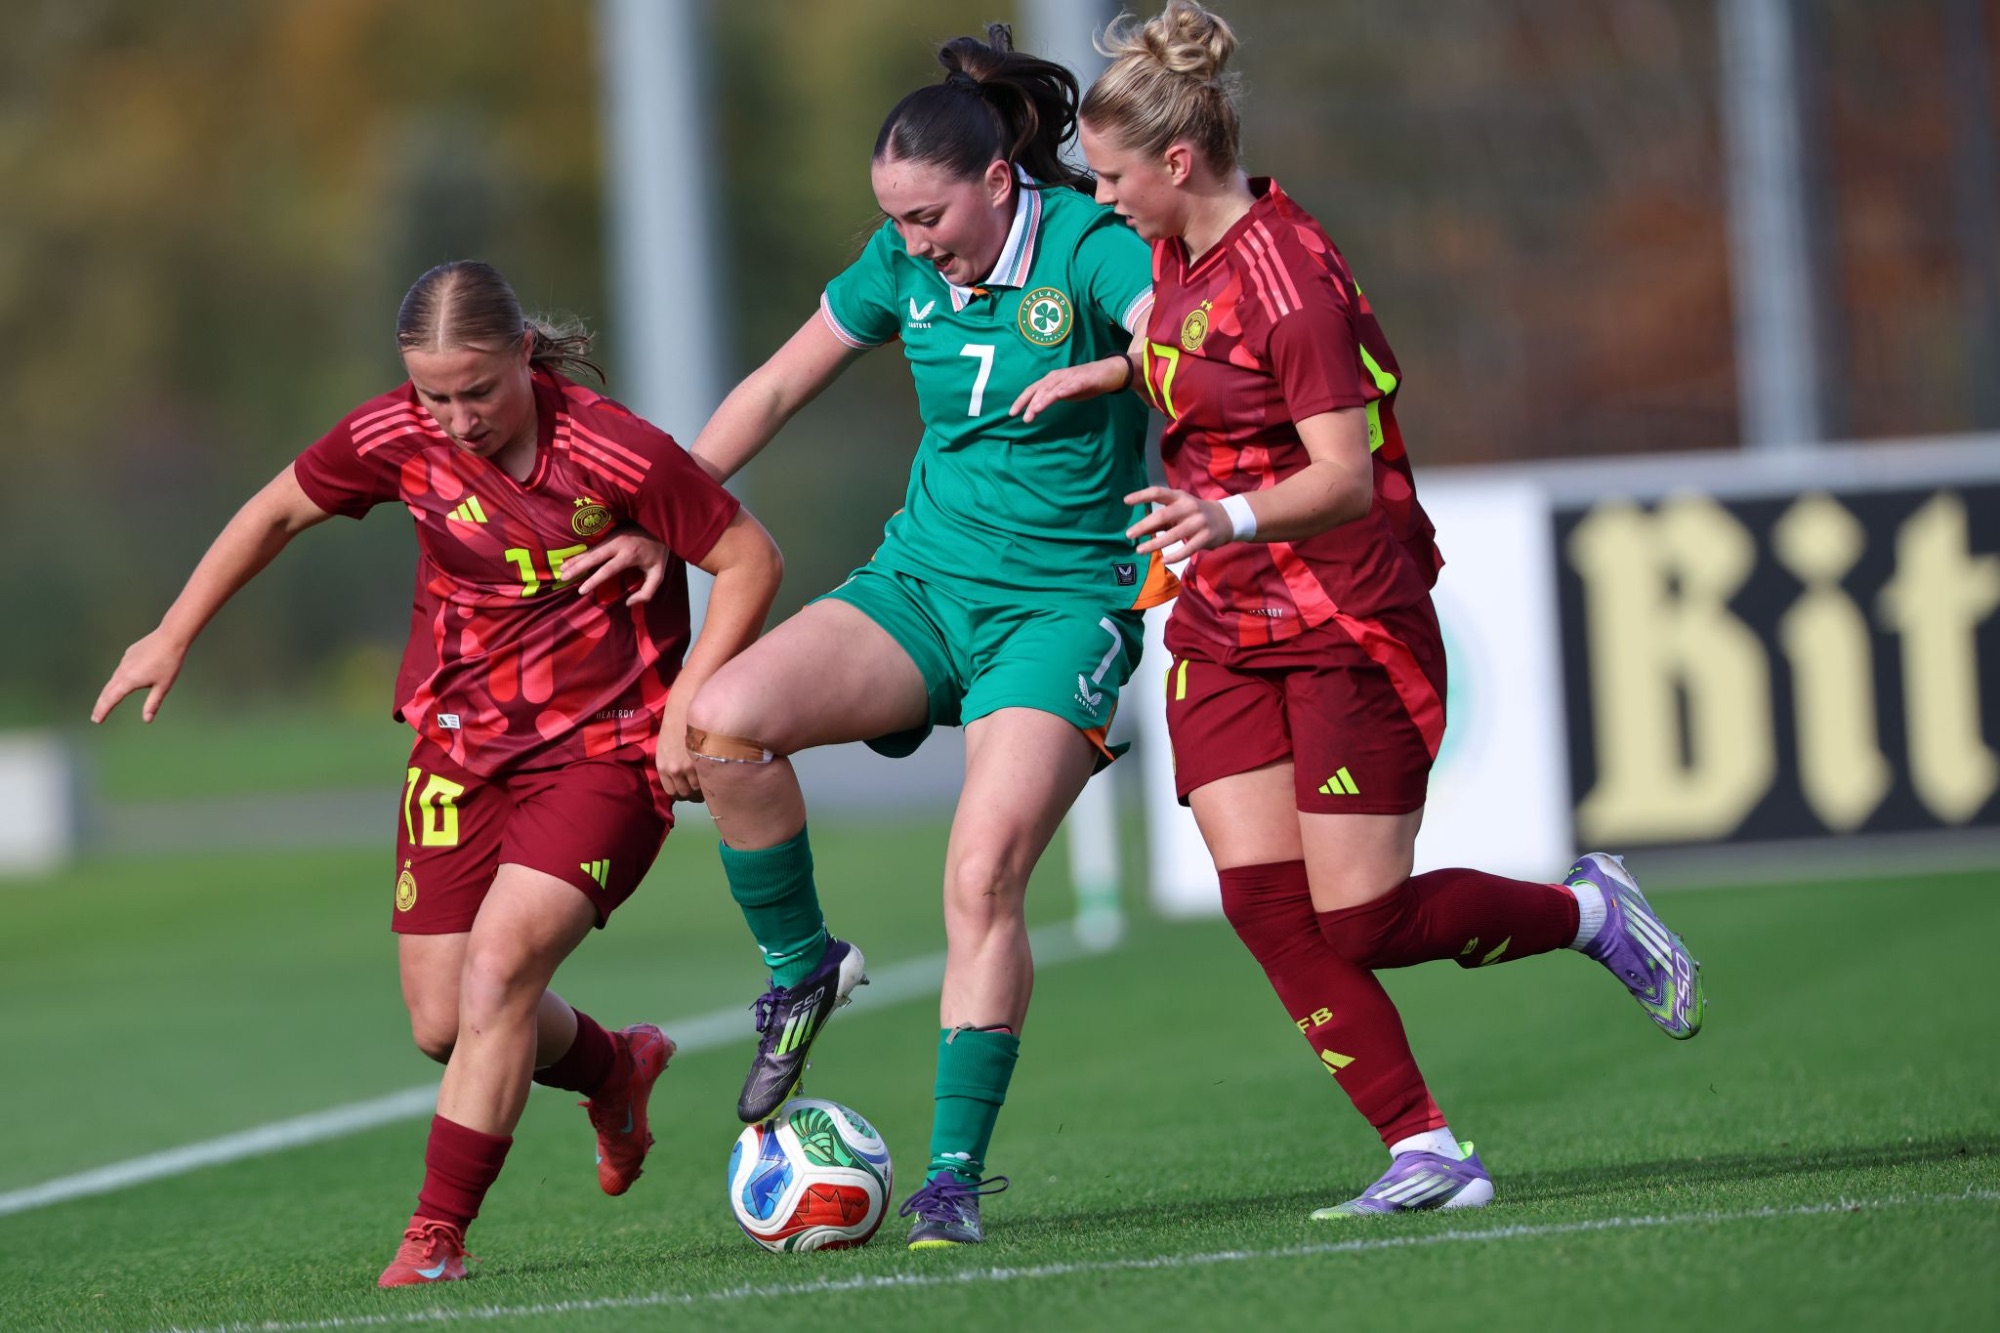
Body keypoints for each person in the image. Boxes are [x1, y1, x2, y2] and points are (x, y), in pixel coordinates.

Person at [1011, 0, 1705, 1218]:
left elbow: (1337, 475)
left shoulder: (1294, 284)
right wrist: (1109, 369)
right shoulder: (1179, 250)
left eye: (1114, 179)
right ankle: (1424, 1146)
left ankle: (1588, 912)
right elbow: (1195, 349)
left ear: (1177, 163)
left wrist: (1219, 517)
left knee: (1365, 917)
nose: (1103, 201)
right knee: (1263, 901)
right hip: (1223, 620)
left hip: (1341, 616)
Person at [91, 261, 782, 1283]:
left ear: (521, 356)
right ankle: (614, 1065)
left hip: (603, 750)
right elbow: (276, 510)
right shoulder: (392, 435)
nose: (458, 418)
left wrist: (685, 708)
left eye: (478, 391)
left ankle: (435, 1238)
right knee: (441, 1020)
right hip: (459, 747)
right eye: (434, 394)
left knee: (500, 973)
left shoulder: (610, 445)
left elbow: (748, 556)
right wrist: (173, 630)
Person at [663, 25, 1172, 1250]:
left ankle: (949, 1178)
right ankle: (804, 966)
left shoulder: (1090, 244)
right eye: (892, 218)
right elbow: (778, 385)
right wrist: (659, 510)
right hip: (920, 588)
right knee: (721, 722)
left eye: (927, 215)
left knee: (978, 877)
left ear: (999, 181)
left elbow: (1185, 342)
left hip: (1057, 614)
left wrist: (1112, 376)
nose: (909, 241)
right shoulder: (900, 270)